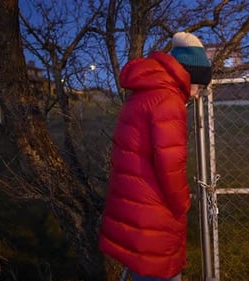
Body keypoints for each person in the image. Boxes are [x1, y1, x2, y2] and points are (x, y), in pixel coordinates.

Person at [98, 32, 212, 281]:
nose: (195, 95)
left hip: (135, 203)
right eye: (199, 86)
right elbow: (170, 166)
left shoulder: (143, 91)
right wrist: (183, 203)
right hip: (154, 211)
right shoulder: (168, 100)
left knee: (143, 271)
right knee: (161, 273)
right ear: (188, 74)